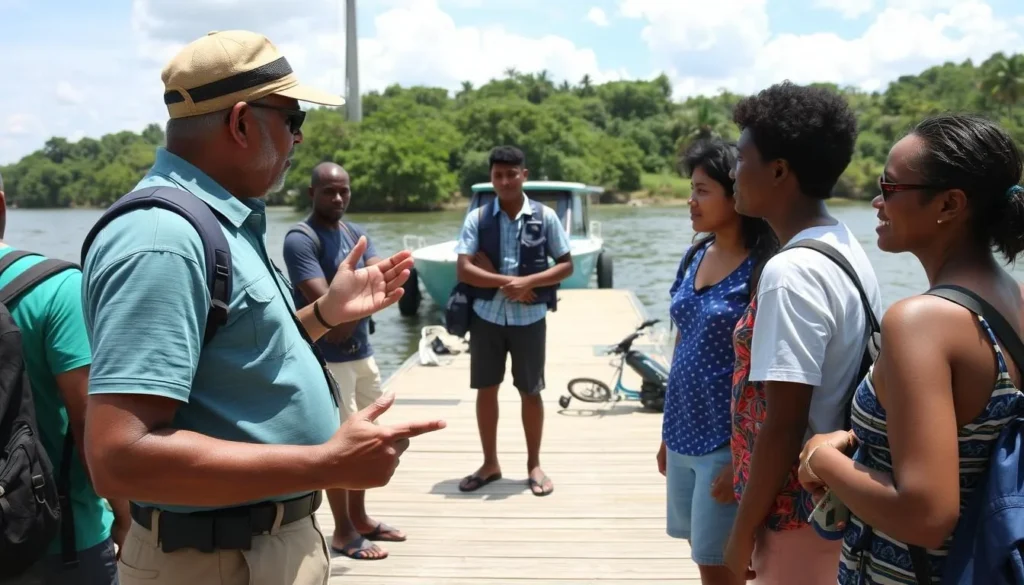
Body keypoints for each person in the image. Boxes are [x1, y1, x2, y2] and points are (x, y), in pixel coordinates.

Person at [80, 30, 444, 585]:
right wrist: (327, 463)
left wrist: (326, 314)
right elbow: (119, 457)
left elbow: (237, 358)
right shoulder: (162, 238)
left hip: (258, 548)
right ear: (242, 122)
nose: (298, 140)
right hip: (218, 561)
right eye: (293, 120)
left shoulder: (220, 220)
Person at [797, 113, 1024, 584]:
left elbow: (926, 515)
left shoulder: (920, 322)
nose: (878, 201)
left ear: (949, 203)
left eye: (891, 187)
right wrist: (860, 442)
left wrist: (822, 458)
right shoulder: (1014, 300)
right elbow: (972, 443)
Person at [722, 81, 883, 584]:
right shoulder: (844, 247)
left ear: (778, 170)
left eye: (741, 158)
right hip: (835, 503)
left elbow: (784, 423)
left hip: (797, 512)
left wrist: (741, 531)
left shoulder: (789, 273)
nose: (732, 171)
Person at [657, 139, 778, 585]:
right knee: (703, 556)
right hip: (683, 432)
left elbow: (771, 375)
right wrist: (666, 435)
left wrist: (743, 461)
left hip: (727, 443)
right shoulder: (695, 255)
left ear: (737, 192)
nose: (691, 200)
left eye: (703, 190)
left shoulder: (767, 268)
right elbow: (683, 342)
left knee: (721, 567)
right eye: (692, 188)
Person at [0, 172, 129, 585]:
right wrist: (126, 517)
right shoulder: (55, 289)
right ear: (1, 206)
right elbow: (91, 422)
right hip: (60, 542)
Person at [282, 161, 404, 561]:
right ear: (311, 193)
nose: (338, 198)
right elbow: (334, 320)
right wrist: (362, 298)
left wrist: (362, 299)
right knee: (341, 446)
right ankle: (342, 531)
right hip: (327, 359)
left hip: (362, 355)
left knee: (368, 440)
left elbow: (379, 283)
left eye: (344, 191)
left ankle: (362, 519)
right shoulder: (301, 239)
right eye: (329, 191)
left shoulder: (354, 234)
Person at [454, 145, 573, 497]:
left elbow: (566, 264)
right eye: (497, 175)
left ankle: (533, 464)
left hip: (530, 319)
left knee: (530, 391)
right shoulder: (477, 218)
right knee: (486, 390)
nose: (504, 181)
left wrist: (530, 284)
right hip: (486, 317)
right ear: (491, 178)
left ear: (524, 175)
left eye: (511, 174)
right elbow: (464, 269)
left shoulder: (545, 217)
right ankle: (490, 463)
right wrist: (509, 285)